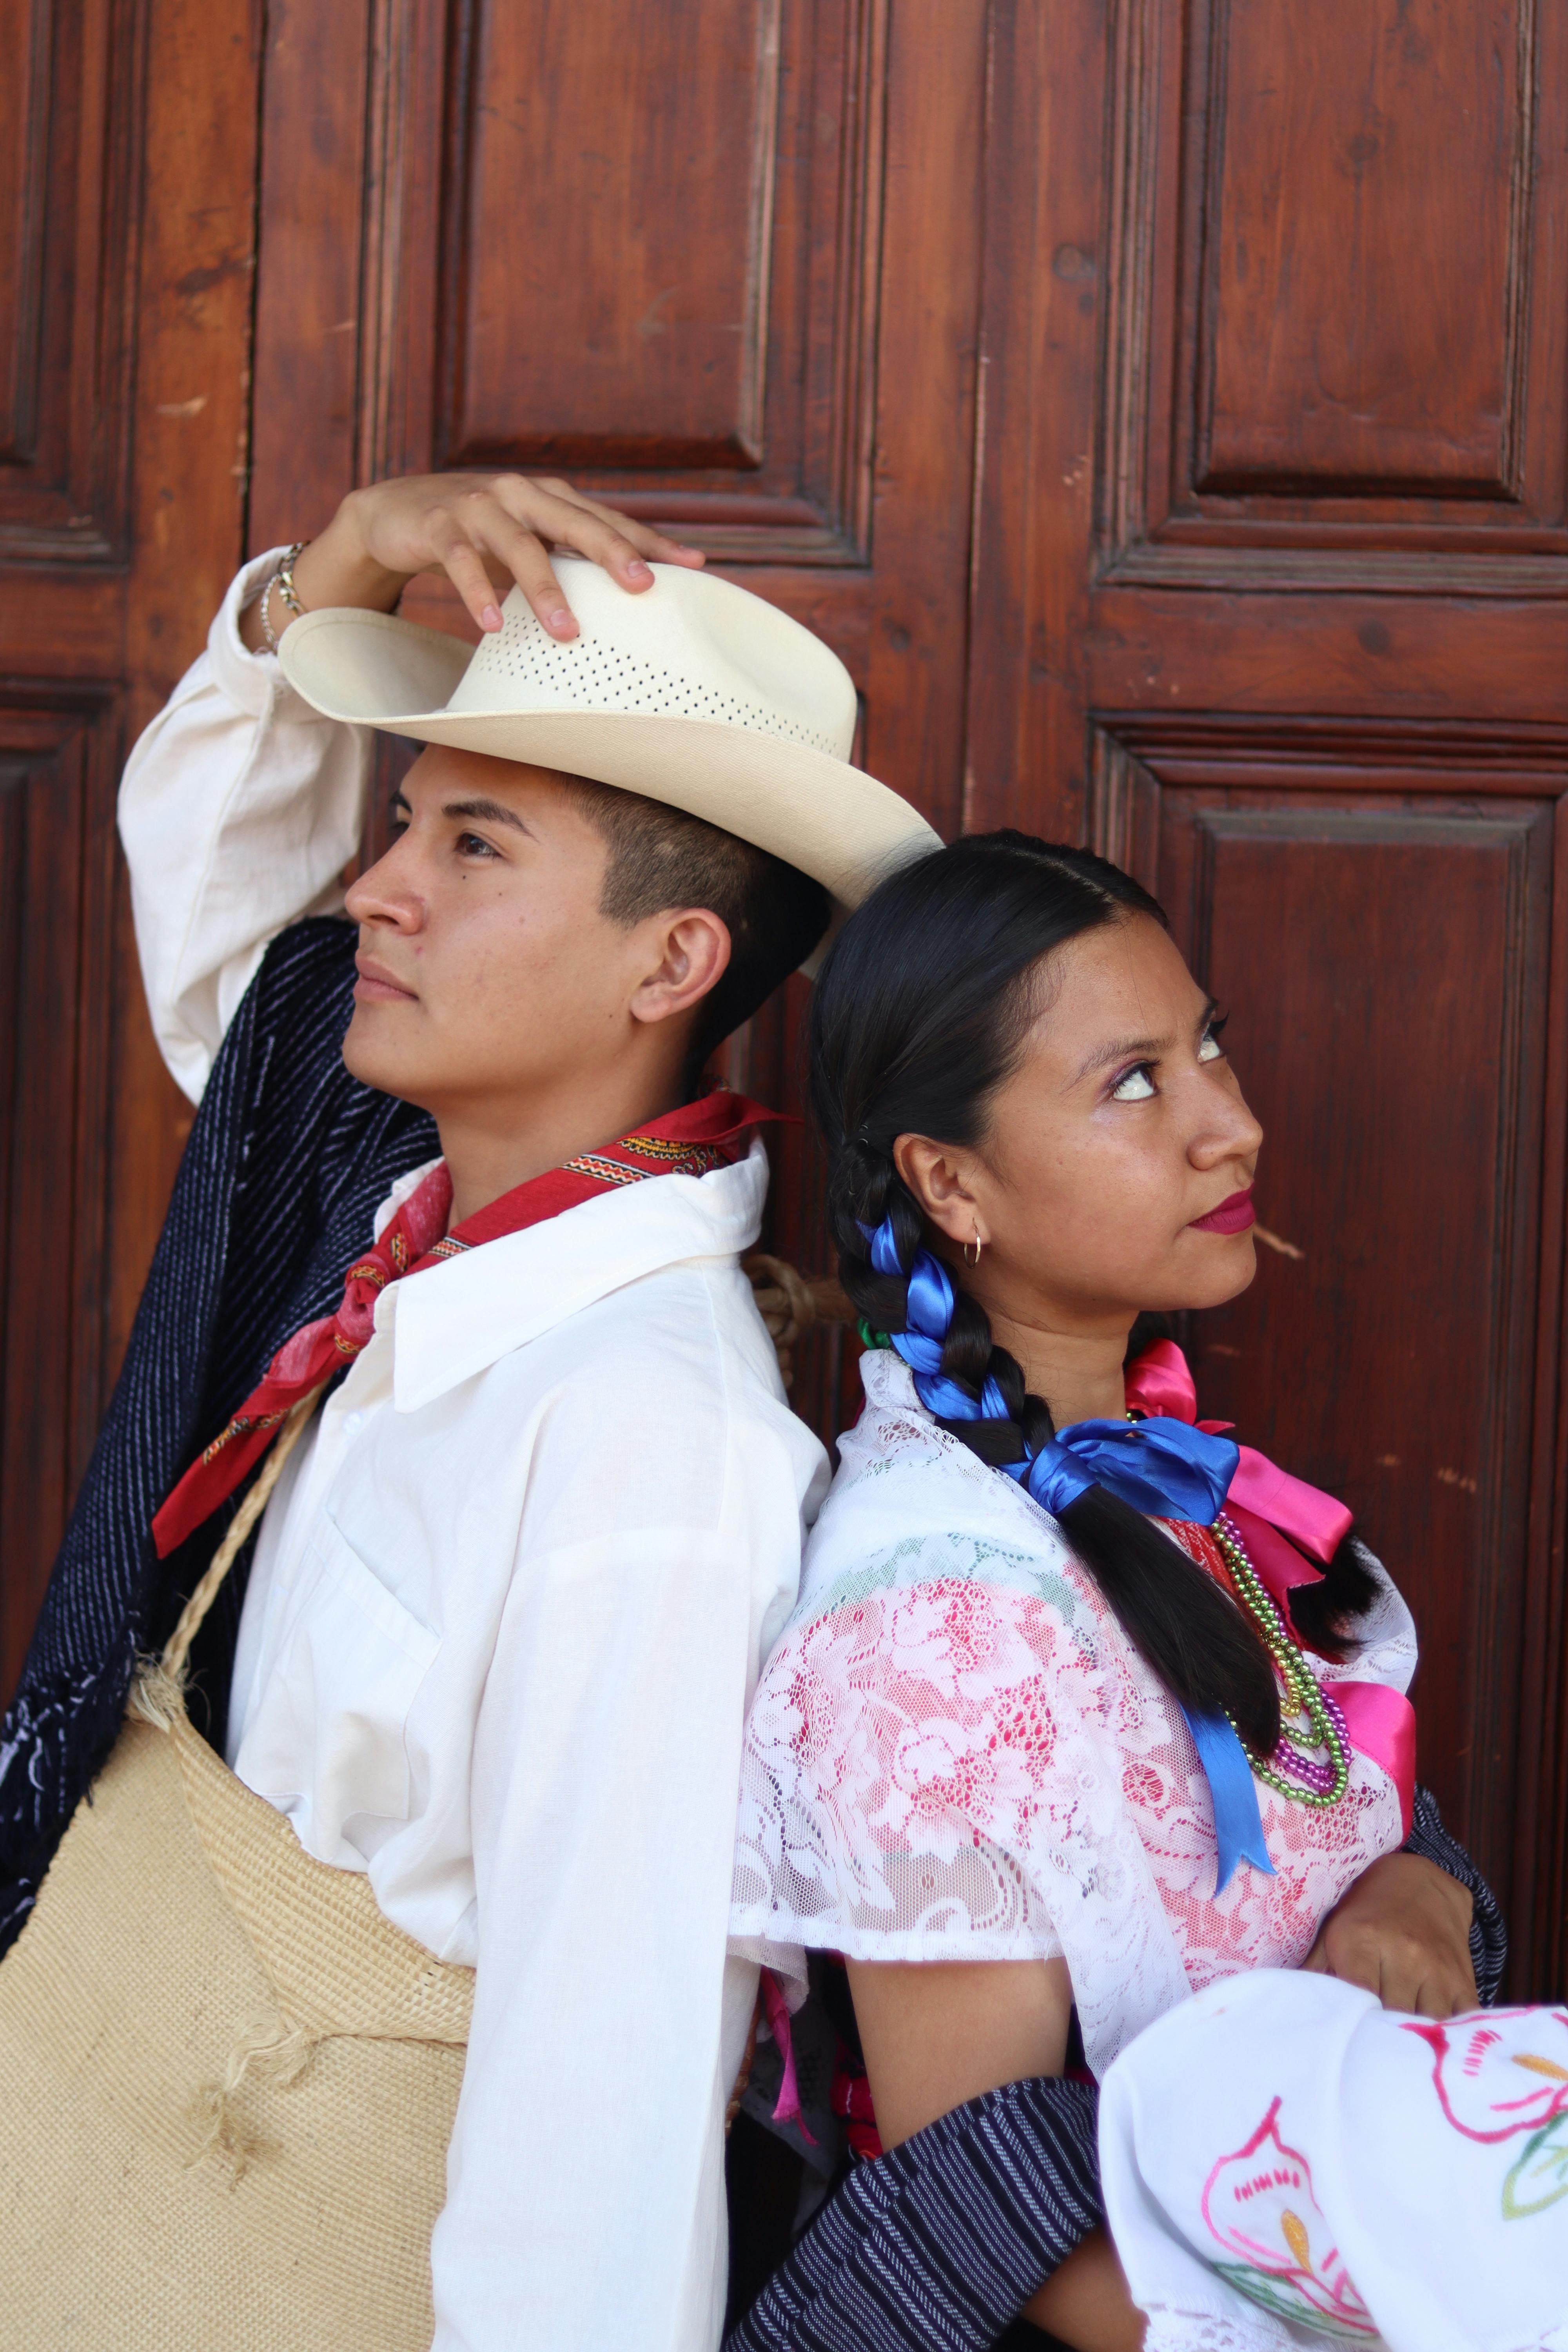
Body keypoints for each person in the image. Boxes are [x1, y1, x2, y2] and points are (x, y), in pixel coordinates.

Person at [0, 471, 936, 2350]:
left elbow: (597, 2126)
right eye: (405, 816)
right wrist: (325, 577)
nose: (382, 884)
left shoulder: (651, 1445)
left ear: (672, 963)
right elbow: (225, 937)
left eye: (477, 846)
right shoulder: (389, 1203)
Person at [726, 832, 1519, 2352]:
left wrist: (1409, 1893)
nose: (1233, 1124)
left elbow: (1325, 1813)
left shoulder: (1157, 1484)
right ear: (950, 1181)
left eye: (1205, 1044)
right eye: (1134, 1083)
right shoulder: (938, 1619)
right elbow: (984, 2202)